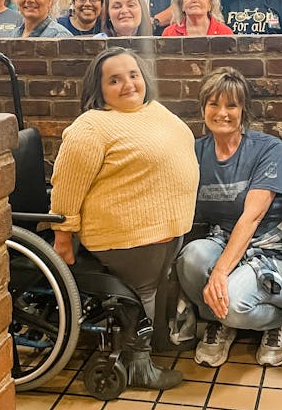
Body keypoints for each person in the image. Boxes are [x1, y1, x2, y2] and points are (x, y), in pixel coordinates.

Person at [50, 47, 198, 390]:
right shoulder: (91, 127)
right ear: (99, 90)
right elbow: (67, 186)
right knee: (142, 297)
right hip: (125, 236)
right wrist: (63, 238)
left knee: (149, 295)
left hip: (163, 232)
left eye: (133, 74)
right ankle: (139, 366)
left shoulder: (154, 110)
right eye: (114, 80)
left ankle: (144, 356)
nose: (128, 84)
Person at [176, 68, 282, 367]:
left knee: (233, 303)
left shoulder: (267, 148)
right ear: (202, 108)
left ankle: (277, 321)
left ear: (243, 110)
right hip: (221, 243)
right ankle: (220, 323)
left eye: (231, 105)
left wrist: (219, 273)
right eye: (214, 104)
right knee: (190, 257)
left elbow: (251, 218)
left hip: (268, 252)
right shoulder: (194, 151)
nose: (222, 113)